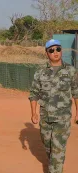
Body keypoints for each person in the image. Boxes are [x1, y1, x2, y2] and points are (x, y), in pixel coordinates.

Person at [29, 39, 78, 173]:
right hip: (45, 118)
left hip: (62, 119)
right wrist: (34, 112)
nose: (55, 52)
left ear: (61, 51)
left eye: (58, 49)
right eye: (51, 50)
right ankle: (55, 164)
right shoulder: (40, 72)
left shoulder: (71, 71)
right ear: (47, 53)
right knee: (49, 147)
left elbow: (76, 92)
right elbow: (33, 93)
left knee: (57, 151)